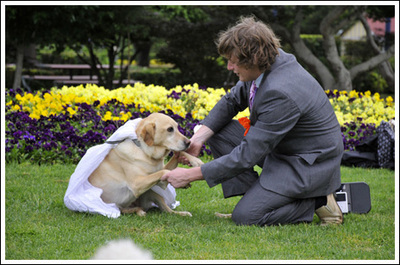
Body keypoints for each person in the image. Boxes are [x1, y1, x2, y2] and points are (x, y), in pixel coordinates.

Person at [161, 16, 344, 226]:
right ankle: (256, 198)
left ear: (253, 59)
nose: (229, 66)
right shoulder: (270, 63)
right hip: (284, 149)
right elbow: (232, 100)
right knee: (216, 131)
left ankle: (316, 199)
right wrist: (198, 139)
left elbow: (247, 155)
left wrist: (190, 175)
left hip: (306, 164)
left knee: (247, 217)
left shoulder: (281, 93)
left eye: (233, 61)